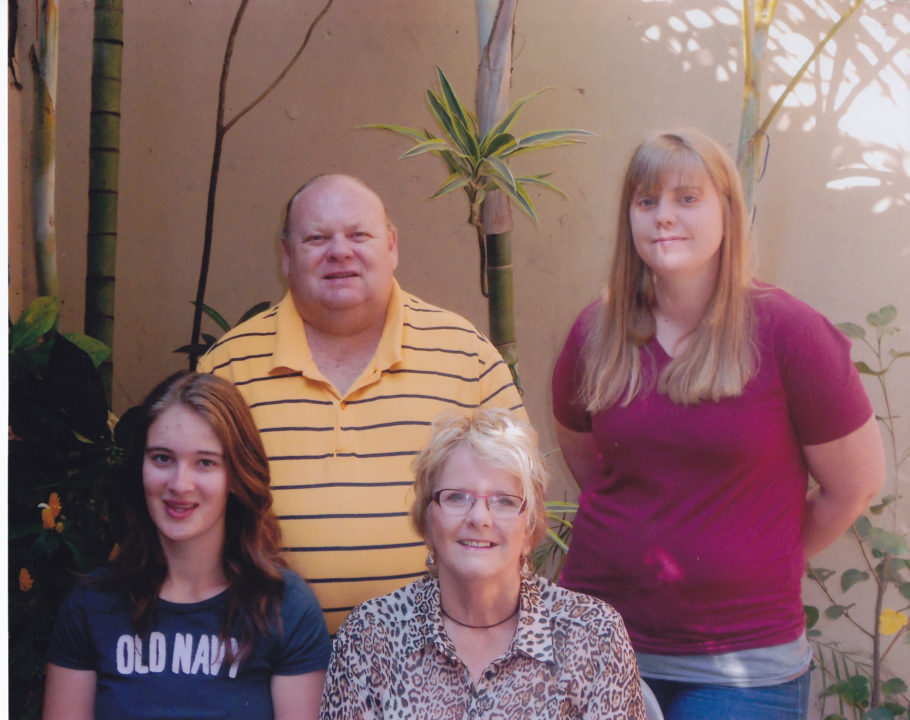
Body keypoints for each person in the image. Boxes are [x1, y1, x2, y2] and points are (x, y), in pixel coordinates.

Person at [551, 128, 886, 719]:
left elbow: (853, 486)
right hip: (596, 644)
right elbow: (587, 461)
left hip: (742, 666)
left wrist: (763, 553)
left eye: (687, 198)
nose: (664, 216)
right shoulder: (596, 332)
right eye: (647, 200)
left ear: (729, 212)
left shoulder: (790, 334)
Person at [197, 174, 525, 634]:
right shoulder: (227, 368)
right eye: (317, 238)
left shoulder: (468, 358)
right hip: (272, 656)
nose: (340, 252)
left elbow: (522, 509)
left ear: (391, 246)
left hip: (435, 658)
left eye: (358, 235)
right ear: (286, 255)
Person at [319, 409, 646, 719]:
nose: (479, 517)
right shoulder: (372, 635)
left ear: (529, 528)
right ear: (427, 521)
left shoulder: (593, 634)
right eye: (456, 497)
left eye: (503, 501)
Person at [43, 371, 332, 720]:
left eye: (205, 462)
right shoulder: (91, 606)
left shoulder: (286, 608)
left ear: (236, 476)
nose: (180, 484)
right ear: (140, 468)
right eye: (162, 458)